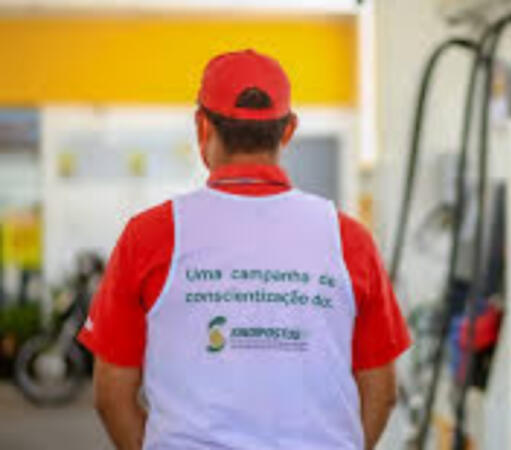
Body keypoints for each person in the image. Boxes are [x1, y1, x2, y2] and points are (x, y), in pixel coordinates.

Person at [78, 49, 411, 450]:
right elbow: (382, 391)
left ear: (202, 126)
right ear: (288, 130)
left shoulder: (148, 235)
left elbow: (111, 395)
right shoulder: (349, 239)